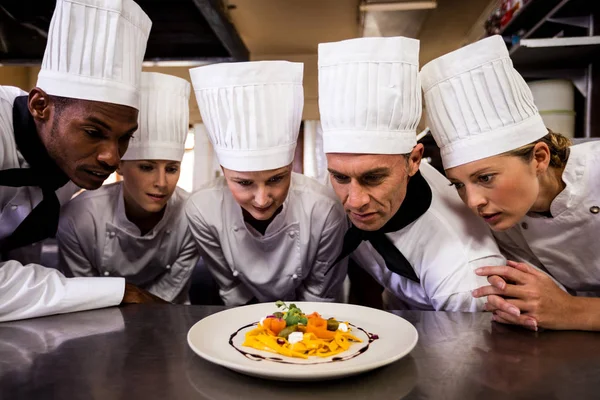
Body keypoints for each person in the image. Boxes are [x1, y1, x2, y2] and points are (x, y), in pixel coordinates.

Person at [421, 34, 600, 331]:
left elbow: (563, 308)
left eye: (485, 177)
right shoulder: (502, 222)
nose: (473, 201)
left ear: (539, 158)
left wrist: (574, 310)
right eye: (459, 184)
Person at [0, 0, 161, 323]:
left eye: (124, 137)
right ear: (40, 105)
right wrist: (117, 292)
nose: (112, 158)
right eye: (93, 132)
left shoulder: (72, 159)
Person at [319, 36, 507, 311]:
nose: (355, 201)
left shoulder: (464, 273)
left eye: (373, 178)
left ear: (414, 160)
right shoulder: (346, 190)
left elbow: (471, 350)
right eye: (340, 178)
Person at [186, 61, 348, 306]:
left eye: (276, 179)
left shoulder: (324, 210)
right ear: (223, 172)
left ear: (291, 168)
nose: (262, 199)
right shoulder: (202, 209)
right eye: (244, 183)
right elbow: (231, 288)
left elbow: (319, 296)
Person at [56, 72, 199, 304]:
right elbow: (82, 292)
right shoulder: (79, 217)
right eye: (146, 167)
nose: (161, 183)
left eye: (171, 169)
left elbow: (171, 292)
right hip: (96, 320)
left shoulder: (192, 216)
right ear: (120, 165)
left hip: (170, 316)